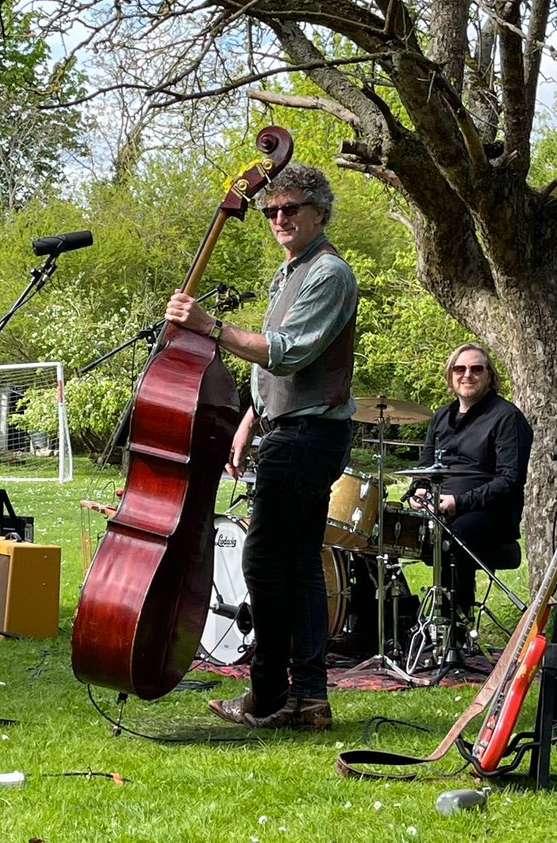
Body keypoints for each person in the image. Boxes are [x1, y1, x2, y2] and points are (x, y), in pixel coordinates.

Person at [165, 163, 358, 731]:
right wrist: (252, 416)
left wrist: (210, 326)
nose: (278, 218)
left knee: (265, 562)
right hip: (290, 429)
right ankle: (308, 700)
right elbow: (276, 366)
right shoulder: (289, 273)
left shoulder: (327, 273)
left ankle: (269, 694)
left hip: (307, 437)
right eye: (271, 210)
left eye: (290, 208)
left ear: (319, 212)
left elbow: (287, 351)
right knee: (296, 566)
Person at [406, 342, 532, 648]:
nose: (468, 375)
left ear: (489, 376)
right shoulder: (440, 418)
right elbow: (424, 468)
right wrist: (417, 491)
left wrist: (458, 502)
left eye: (476, 369)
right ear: (450, 375)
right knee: (381, 530)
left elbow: (510, 480)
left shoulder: (506, 417)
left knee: (453, 535)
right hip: (440, 508)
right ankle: (390, 630)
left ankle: (454, 634)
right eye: (460, 369)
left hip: (490, 514)